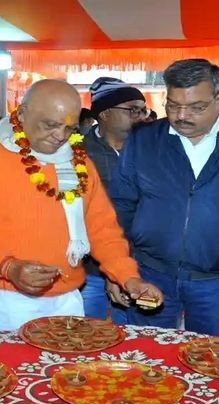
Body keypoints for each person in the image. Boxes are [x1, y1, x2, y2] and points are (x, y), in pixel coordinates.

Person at [0, 79, 163, 337]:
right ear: (21, 114)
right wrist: (9, 268)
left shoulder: (79, 163)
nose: (60, 136)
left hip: (63, 300)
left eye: (70, 128)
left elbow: (102, 229)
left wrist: (128, 277)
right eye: (50, 125)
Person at [109, 58, 219, 336]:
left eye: (196, 107)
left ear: (218, 99)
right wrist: (117, 268)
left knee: (210, 359)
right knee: (148, 355)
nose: (182, 116)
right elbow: (120, 207)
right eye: (173, 105)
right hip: (148, 272)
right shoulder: (144, 141)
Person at [80, 77, 147, 324]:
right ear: (105, 113)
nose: (140, 115)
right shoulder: (77, 152)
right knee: (87, 335)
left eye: (143, 109)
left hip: (140, 266)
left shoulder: (152, 149)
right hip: (90, 268)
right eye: (132, 109)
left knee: (133, 339)